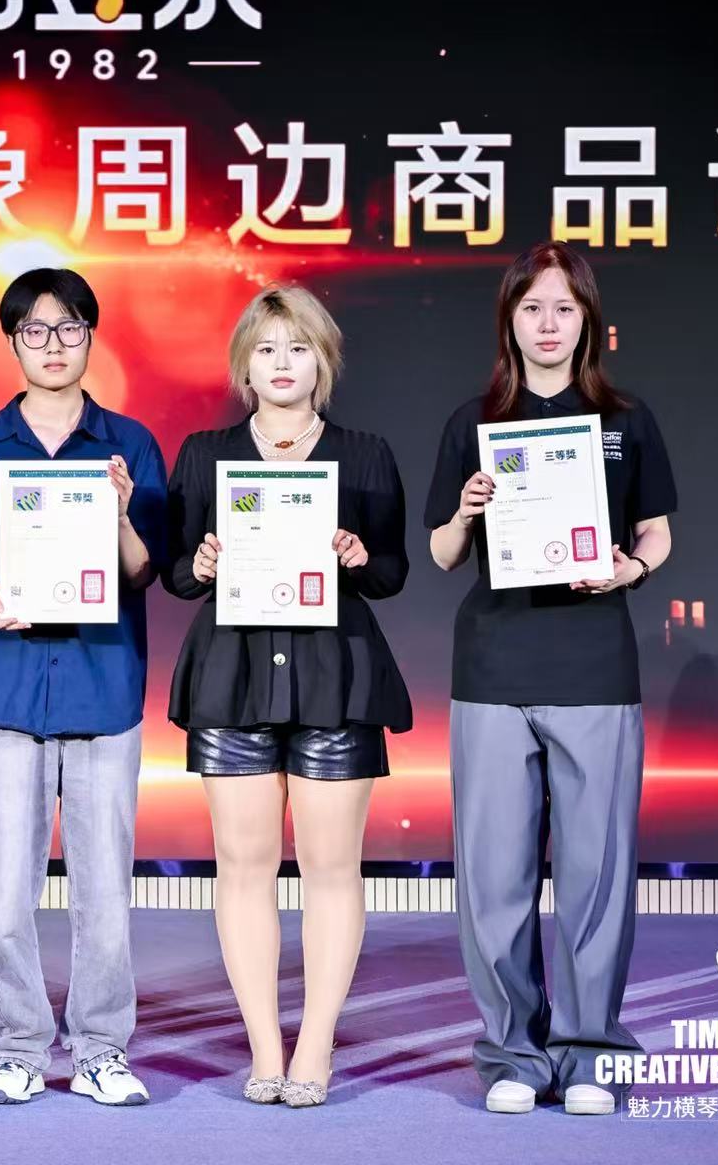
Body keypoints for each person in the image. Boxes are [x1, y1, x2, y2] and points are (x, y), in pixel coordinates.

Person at [423, 240, 676, 1116]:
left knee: (596, 873)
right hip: (493, 665)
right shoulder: (474, 422)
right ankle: (512, 1055)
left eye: (564, 308)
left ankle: (590, 1050)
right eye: (532, 308)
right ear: (510, 320)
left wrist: (630, 569)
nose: (548, 324)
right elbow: (441, 552)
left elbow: (657, 533)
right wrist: (466, 511)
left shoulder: (626, 420)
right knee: (494, 876)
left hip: (595, 664)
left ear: (588, 321)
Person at [162, 284, 412, 1109]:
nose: (281, 364)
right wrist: (200, 563)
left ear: (322, 362)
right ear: (244, 364)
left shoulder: (364, 454)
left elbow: (393, 571)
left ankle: (316, 1045)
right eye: (266, 349)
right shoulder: (205, 454)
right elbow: (174, 573)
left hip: (336, 675)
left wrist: (357, 554)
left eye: (298, 348)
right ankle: (264, 1047)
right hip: (231, 677)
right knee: (243, 866)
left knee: (331, 868)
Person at [0, 268, 167, 1107]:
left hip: (102, 688)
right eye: (35, 330)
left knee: (104, 896)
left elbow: (145, 571)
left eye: (69, 328)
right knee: (4, 896)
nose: (53, 345)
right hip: (2, 689)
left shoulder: (129, 445)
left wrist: (120, 514)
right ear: (13, 342)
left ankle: (102, 1048)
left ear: (90, 337)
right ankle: (20, 1048)